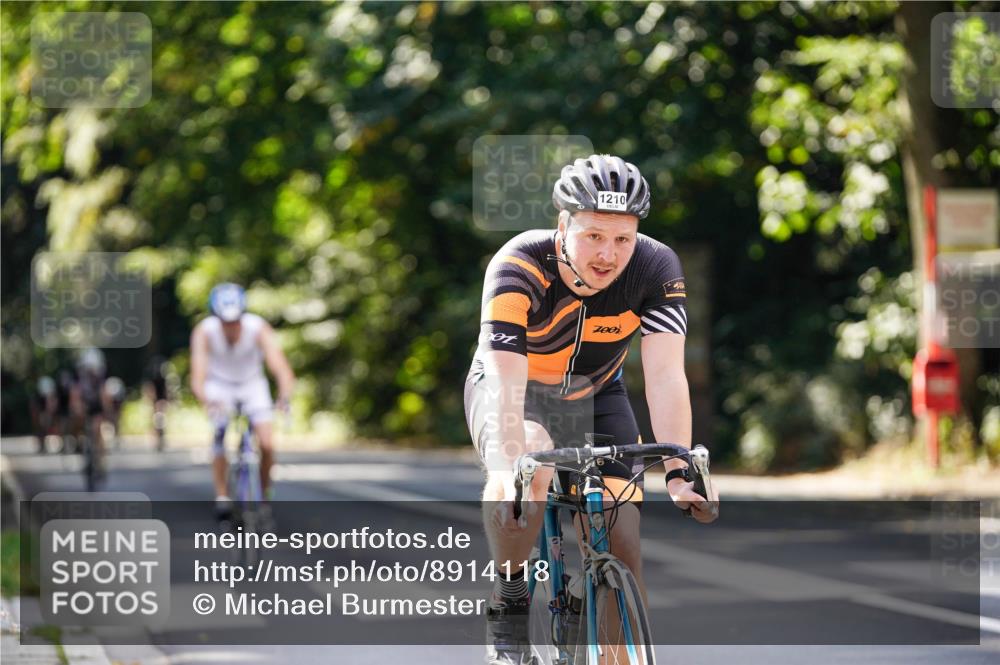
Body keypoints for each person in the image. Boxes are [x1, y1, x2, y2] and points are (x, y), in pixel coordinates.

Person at [464, 154, 720, 664]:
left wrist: (678, 470)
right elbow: (506, 380)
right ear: (563, 225)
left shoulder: (655, 267)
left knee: (623, 541)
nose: (608, 254)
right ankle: (510, 599)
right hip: (514, 388)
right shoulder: (518, 263)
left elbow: (667, 376)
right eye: (593, 236)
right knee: (525, 470)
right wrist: (513, 464)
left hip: (598, 395)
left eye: (622, 239)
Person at [189, 283, 296, 522]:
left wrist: (284, 396)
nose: (230, 327)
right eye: (225, 322)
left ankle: (264, 498)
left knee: (267, 443)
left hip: (252, 384)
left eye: (235, 320)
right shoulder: (204, 332)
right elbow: (197, 377)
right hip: (219, 386)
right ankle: (222, 497)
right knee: (219, 433)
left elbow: (280, 368)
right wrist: (207, 400)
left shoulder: (258, 328)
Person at [144, 356, 173, 451]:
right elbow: (151, 391)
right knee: (156, 421)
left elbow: (165, 391)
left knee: (160, 420)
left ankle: (160, 439)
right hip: (156, 401)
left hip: (160, 400)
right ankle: (156, 440)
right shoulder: (154, 379)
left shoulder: (163, 378)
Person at [30, 376, 58, 453]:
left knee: (45, 430)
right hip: (41, 414)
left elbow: (51, 405)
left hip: (45, 414)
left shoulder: (49, 395)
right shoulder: (37, 396)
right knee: (40, 431)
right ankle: (41, 445)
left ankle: (43, 445)